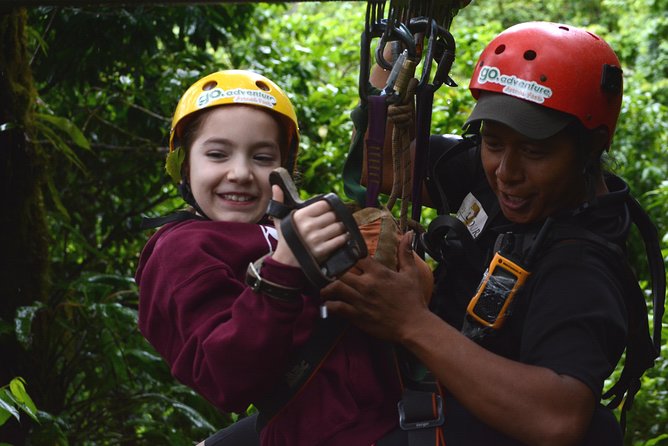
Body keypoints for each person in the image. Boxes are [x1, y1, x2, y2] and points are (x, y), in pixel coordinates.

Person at [322, 21, 662, 445]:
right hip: (419, 397)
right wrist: (395, 56)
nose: (506, 172)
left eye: (535, 151)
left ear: (591, 147)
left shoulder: (582, 266)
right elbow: (386, 168)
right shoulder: (489, 176)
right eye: (493, 142)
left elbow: (557, 419)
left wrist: (410, 322)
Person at [135, 70, 407, 446]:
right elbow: (224, 378)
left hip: (381, 413)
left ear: (284, 168)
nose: (241, 173)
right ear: (184, 165)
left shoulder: (280, 225)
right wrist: (283, 269)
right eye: (217, 154)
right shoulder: (181, 251)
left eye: (262, 157)